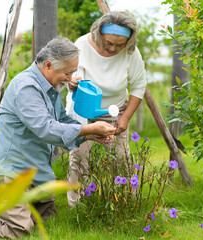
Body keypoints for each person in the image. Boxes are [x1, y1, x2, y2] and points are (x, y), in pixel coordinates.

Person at [0, 36, 116, 239]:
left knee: (49, 223)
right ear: (48, 65)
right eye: (67, 72)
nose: (71, 79)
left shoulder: (49, 88)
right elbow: (46, 128)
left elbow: (61, 119)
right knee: (20, 231)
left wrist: (90, 133)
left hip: (34, 172)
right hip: (9, 172)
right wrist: (88, 130)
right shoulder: (26, 87)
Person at [66, 11, 147, 207]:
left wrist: (126, 117)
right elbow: (71, 79)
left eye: (120, 45)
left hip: (115, 110)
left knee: (121, 159)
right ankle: (78, 207)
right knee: (80, 157)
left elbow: (138, 86)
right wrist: (72, 83)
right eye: (109, 43)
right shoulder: (82, 46)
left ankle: (125, 204)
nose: (113, 48)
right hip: (84, 110)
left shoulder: (130, 52)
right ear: (98, 34)